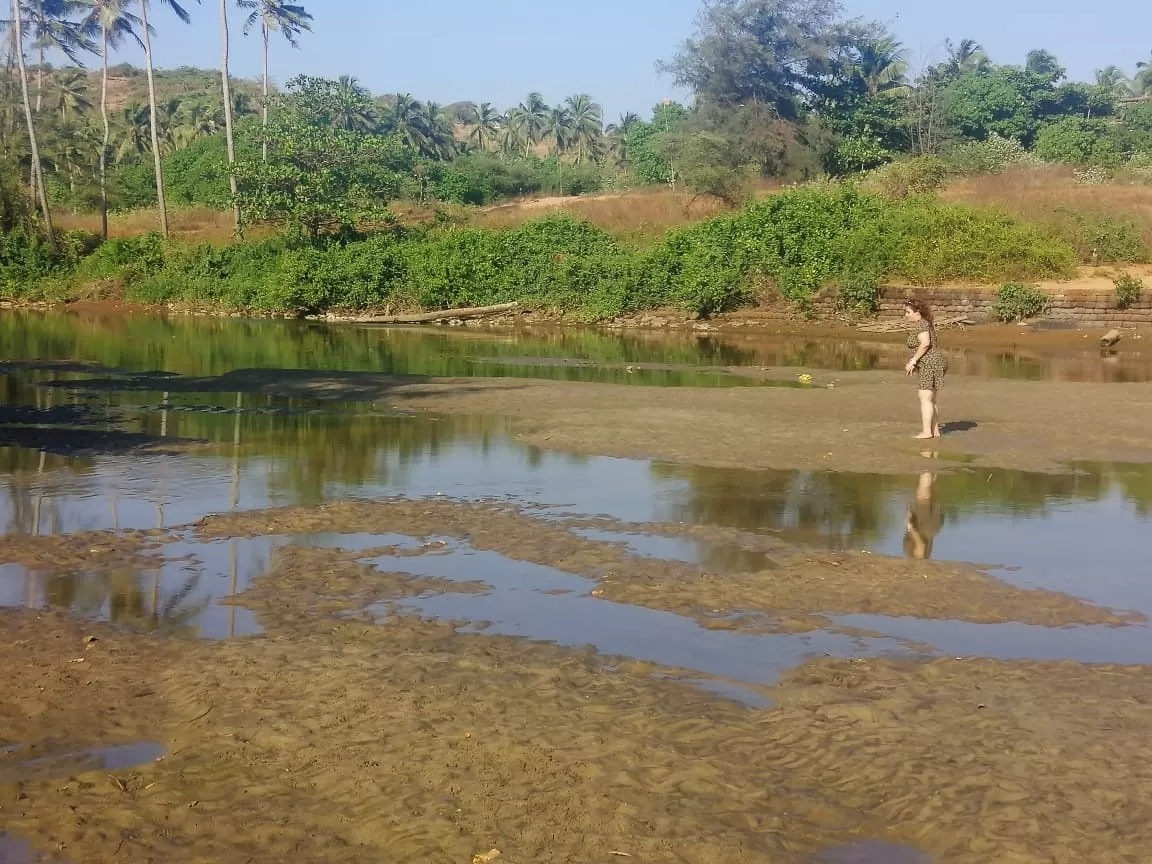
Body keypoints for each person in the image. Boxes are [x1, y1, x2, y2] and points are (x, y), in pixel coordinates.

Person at [903, 299, 947, 439]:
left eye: (908, 312)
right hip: (934, 362)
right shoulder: (924, 323)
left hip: (930, 363)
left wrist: (913, 360)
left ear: (918, 312)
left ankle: (927, 432)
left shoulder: (922, 324)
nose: (906, 315)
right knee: (930, 399)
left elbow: (925, 344)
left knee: (925, 398)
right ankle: (935, 431)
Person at [903, 471, 943, 560]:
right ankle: (928, 462)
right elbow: (921, 545)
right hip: (925, 530)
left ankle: (932, 462)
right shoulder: (917, 560)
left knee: (929, 490)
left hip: (927, 529)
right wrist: (910, 527)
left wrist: (909, 515)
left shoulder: (914, 556)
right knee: (923, 494)